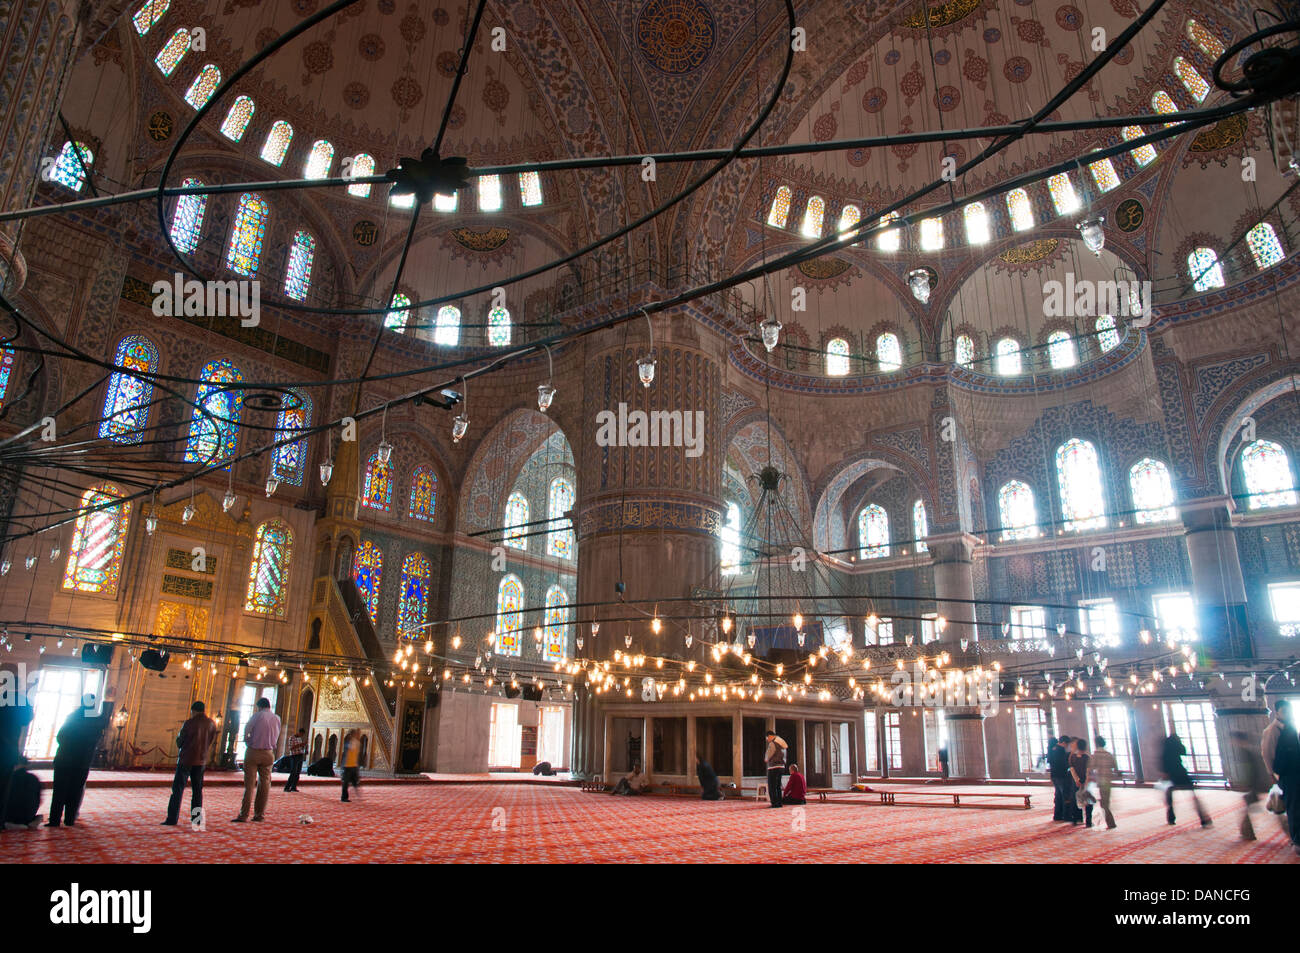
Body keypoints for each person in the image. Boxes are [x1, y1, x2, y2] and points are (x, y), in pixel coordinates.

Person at [47, 695, 110, 828]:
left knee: (59, 791)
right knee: (75, 791)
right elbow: (96, 739)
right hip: (82, 761)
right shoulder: (97, 721)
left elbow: (61, 736)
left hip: (65, 759)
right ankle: (69, 819)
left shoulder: (73, 717)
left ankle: (54, 820)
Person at [163, 700, 218, 826]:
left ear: (193, 711)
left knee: (177, 790)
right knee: (197, 790)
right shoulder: (211, 723)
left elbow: (179, 743)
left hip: (186, 760)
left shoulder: (189, 723)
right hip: (201, 761)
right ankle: (197, 819)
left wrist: (178, 737)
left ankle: (172, 818)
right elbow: (210, 741)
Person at [233, 697, 280, 823]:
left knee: (249, 785)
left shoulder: (257, 716)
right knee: (265, 785)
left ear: (259, 706)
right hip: (269, 753)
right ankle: (259, 815)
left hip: (254, 751)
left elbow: (246, 731)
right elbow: (277, 736)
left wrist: (249, 743)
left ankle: (244, 815)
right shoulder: (276, 718)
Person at [1262, 698, 1300, 852]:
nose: (1288, 713)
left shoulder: (1290, 727)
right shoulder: (1272, 731)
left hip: (1297, 772)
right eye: (1284, 711)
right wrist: (1272, 775)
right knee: (1294, 807)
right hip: (1287, 775)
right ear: (1276, 712)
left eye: (1289, 711)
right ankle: (1297, 841)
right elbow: (1267, 754)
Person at [1162, 731, 1210, 827]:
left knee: (1169, 799)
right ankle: (1203, 818)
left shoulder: (1165, 751)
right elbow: (1183, 752)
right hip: (1181, 773)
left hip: (1171, 775)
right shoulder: (1177, 747)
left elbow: (1164, 764)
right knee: (1193, 797)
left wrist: (1165, 775)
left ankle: (1171, 819)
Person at [1230, 727, 1270, 841]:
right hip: (1257, 785)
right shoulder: (1249, 751)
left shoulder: (1246, 752)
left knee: (1272, 811)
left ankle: (1247, 833)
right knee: (1250, 809)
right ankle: (1247, 833)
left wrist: (1247, 784)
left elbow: (1250, 770)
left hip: (1255, 785)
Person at [4, 757, 42, 830]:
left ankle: (10, 824)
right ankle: (32, 820)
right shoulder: (34, 778)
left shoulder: (9, 778)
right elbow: (39, 799)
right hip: (29, 815)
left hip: (11, 815)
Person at [1091, 735, 1119, 830]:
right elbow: (1115, 767)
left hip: (1101, 781)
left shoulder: (1096, 755)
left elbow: (1091, 767)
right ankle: (1110, 822)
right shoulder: (1108, 754)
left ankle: (1111, 823)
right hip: (1108, 780)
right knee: (1106, 801)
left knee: (1104, 804)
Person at [1069, 736, 1093, 827]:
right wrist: (1085, 782)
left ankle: (1075, 820)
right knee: (1088, 801)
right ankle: (1088, 822)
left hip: (1076, 782)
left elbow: (1072, 770)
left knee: (1075, 800)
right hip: (1085, 782)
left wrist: (1077, 780)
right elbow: (1088, 772)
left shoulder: (1072, 757)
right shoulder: (1087, 757)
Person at [1048, 735, 1070, 821]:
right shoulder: (1060, 750)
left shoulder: (1052, 749)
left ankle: (1057, 815)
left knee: (1058, 795)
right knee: (1064, 795)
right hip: (1061, 775)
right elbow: (1063, 764)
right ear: (1064, 743)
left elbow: (1050, 761)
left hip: (1054, 774)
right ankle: (1066, 815)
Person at [763, 730, 788, 808]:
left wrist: (766, 759)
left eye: (767, 738)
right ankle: (779, 803)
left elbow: (769, 755)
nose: (767, 740)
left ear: (770, 736)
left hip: (773, 767)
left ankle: (774, 803)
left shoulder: (773, 743)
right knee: (778, 786)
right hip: (781, 766)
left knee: (772, 786)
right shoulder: (781, 742)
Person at [340, 729, 361, 802]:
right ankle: (344, 797)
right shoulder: (348, 742)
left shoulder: (357, 742)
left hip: (353, 765)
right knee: (346, 782)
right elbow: (348, 750)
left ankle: (357, 795)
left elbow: (356, 754)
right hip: (347, 765)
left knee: (355, 781)